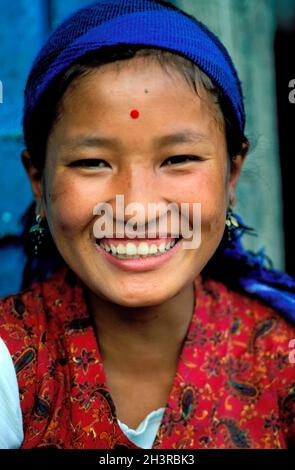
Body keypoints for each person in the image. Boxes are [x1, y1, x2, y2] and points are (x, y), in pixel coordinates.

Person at [0, 0, 294, 450]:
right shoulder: (10, 366)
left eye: (178, 159)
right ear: (38, 180)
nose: (135, 209)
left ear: (231, 175)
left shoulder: (283, 360)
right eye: (93, 162)